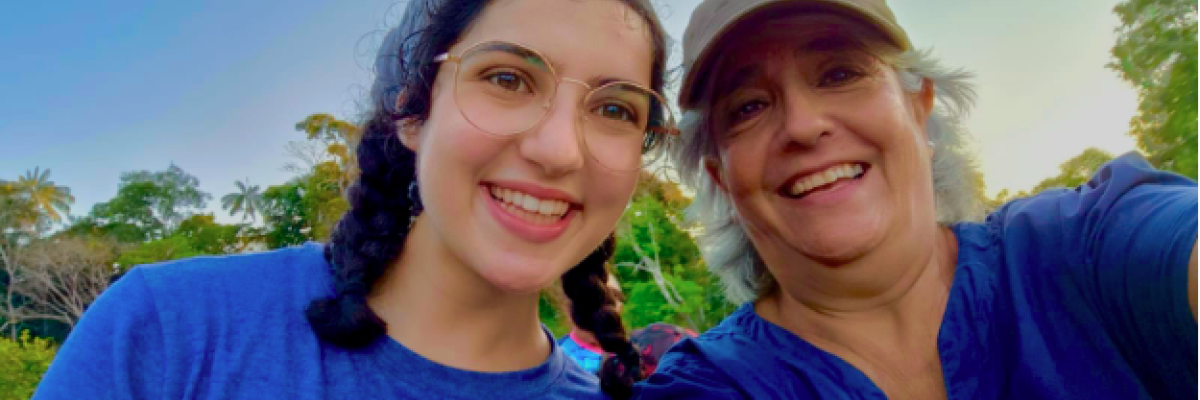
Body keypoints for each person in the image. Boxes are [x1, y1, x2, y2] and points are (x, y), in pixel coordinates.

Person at [35, 0, 676, 398]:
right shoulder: (174, 333)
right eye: (507, 79)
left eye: (616, 108)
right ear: (413, 109)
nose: (560, 149)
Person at [635, 0, 1198, 399]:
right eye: (748, 107)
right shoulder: (710, 385)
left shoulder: (1082, 248)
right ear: (720, 176)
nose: (803, 125)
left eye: (838, 72)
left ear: (918, 106)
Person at [559, 275, 625, 374]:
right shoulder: (556, 361)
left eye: (614, 296)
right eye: (591, 299)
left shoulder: (637, 350)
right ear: (568, 308)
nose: (603, 308)